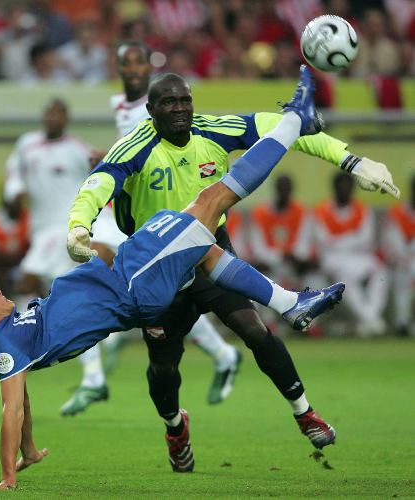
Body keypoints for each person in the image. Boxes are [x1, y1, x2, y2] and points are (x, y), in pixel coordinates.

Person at [0, 79, 347, 488]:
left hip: (126, 268)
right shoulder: (6, 352)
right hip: (135, 288)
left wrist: (31, 450)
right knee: (212, 202)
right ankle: (294, 128)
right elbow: (12, 409)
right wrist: (8, 475)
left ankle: (290, 312)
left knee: (204, 244)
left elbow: (24, 405)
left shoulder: (7, 341)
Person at [67, 67, 400, 472]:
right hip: (158, 270)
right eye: (168, 102)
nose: (179, 109)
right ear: (150, 110)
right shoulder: (135, 147)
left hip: (211, 254)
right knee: (164, 368)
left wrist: (352, 160)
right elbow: (98, 183)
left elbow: (288, 127)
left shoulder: (215, 130)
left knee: (255, 330)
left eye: (185, 100)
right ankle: (175, 428)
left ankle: (305, 413)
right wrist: (78, 225)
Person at [61, 41, 243, 417]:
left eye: (137, 62)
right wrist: (107, 160)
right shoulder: (120, 105)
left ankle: (100, 370)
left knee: (154, 290)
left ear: (148, 67)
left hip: (170, 209)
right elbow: (128, 153)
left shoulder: (167, 100)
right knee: (114, 281)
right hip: (130, 210)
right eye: (124, 63)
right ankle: (219, 353)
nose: (131, 69)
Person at [3, 98, 92, 306]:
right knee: (58, 283)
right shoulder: (27, 143)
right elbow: (14, 171)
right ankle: (70, 327)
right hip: (39, 226)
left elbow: (99, 177)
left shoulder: (79, 149)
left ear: (66, 118)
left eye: (58, 113)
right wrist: (15, 191)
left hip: (65, 225)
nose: (53, 117)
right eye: (49, 112)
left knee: (27, 279)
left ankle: (12, 328)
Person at [314, 172, 389, 337]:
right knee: (343, 278)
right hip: (334, 259)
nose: (344, 190)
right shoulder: (322, 210)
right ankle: (372, 320)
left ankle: (369, 318)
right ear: (334, 188)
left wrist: (339, 239)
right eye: (341, 187)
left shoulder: (363, 210)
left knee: (380, 271)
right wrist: (351, 237)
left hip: (360, 257)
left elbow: (366, 239)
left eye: (348, 187)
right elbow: (324, 240)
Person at [383, 175, 415, 336]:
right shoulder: (397, 212)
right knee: (404, 270)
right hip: (402, 262)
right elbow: (392, 244)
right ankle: (402, 322)